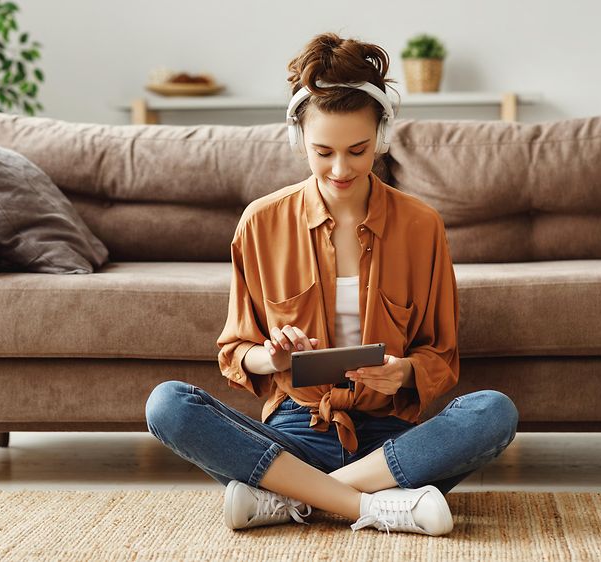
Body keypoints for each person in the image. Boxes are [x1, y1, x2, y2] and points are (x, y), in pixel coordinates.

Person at [145, 32, 518, 537]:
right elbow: (236, 350)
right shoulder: (260, 223)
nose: (340, 169)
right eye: (323, 152)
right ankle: (380, 507)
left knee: (493, 412)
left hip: (390, 445)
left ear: (382, 138)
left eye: (358, 150)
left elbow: (441, 355)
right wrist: (273, 357)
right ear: (299, 139)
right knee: (167, 404)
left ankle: (292, 500)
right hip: (296, 433)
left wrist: (404, 373)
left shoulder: (421, 225)